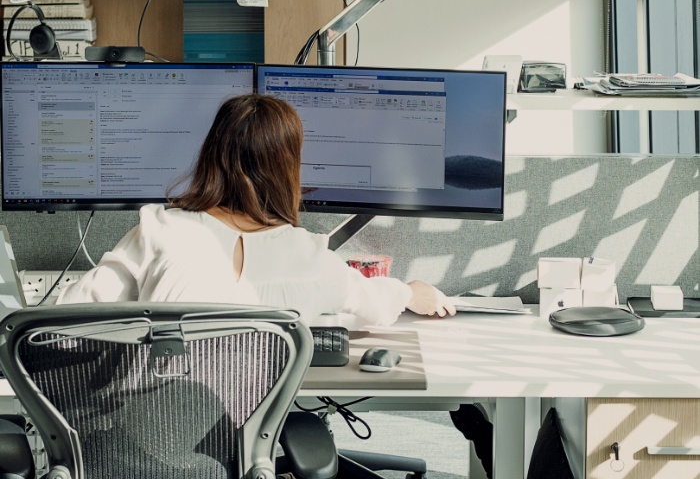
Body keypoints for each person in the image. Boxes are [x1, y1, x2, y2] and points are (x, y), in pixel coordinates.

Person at [58, 93, 455, 324]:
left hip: (152, 436)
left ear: (212, 154)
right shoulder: (311, 257)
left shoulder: (160, 230)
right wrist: (408, 291)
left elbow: (66, 317)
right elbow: (372, 303)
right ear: (288, 169)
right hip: (245, 444)